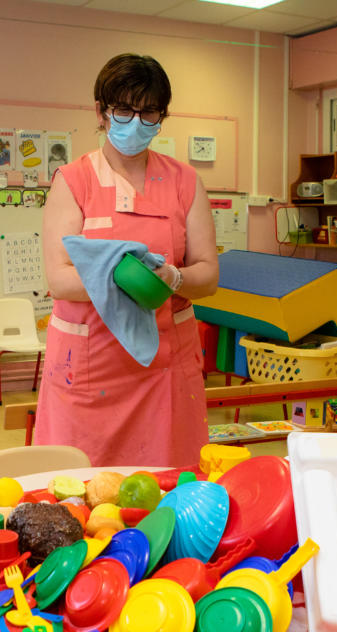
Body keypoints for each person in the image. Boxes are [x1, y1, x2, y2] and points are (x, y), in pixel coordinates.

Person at [36, 53, 219, 468]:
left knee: (168, 486)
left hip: (165, 370)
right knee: (81, 490)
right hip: (90, 370)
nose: (136, 122)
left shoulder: (185, 182)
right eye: (123, 109)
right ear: (100, 112)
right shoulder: (74, 181)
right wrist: (123, 278)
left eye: (149, 111)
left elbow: (207, 275)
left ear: (161, 116)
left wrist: (171, 277)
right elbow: (60, 280)